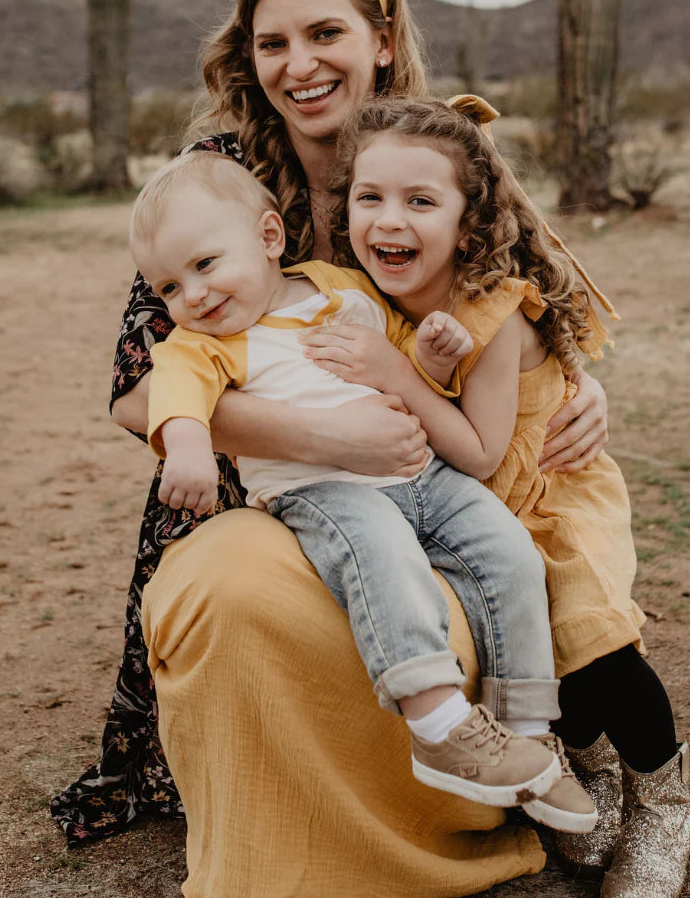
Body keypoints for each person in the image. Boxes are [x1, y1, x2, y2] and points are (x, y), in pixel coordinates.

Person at [52, 0, 611, 896]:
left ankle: (542, 750)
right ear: (249, 58)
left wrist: (570, 382)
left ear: (383, 38)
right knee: (279, 593)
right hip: (274, 484)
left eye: (325, 33)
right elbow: (141, 390)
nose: (299, 65)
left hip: (427, 452)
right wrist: (324, 435)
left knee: (524, 553)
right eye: (273, 44)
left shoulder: (436, 144)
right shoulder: (219, 176)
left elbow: (517, 295)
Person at [128, 149, 597, 827]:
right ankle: (437, 722)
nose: (192, 297)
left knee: (508, 549)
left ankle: (525, 736)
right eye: (168, 287)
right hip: (323, 492)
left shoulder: (336, 286)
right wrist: (190, 449)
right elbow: (174, 395)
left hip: (420, 472)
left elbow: (400, 351)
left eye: (204, 266)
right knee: (384, 553)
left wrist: (430, 354)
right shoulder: (205, 344)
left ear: (267, 239)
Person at [301, 95, 690, 898]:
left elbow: (480, 455)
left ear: (467, 217)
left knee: (594, 641)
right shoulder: (375, 298)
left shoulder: (491, 310)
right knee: (547, 660)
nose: (387, 220)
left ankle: (663, 800)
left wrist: (393, 372)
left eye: (420, 200)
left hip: (551, 494)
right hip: (487, 508)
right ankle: (592, 772)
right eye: (369, 197)